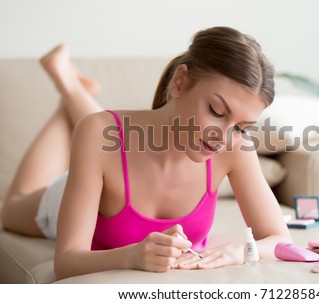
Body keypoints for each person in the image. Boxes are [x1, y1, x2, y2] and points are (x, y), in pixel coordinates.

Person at [0, 26, 292, 280]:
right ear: (179, 83)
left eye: (242, 127)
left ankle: (73, 92)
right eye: (216, 111)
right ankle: (67, 89)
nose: (223, 138)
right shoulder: (96, 132)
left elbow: (280, 239)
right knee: (10, 210)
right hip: (74, 190)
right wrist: (132, 256)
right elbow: (66, 262)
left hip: (108, 151)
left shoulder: (235, 148)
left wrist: (240, 250)